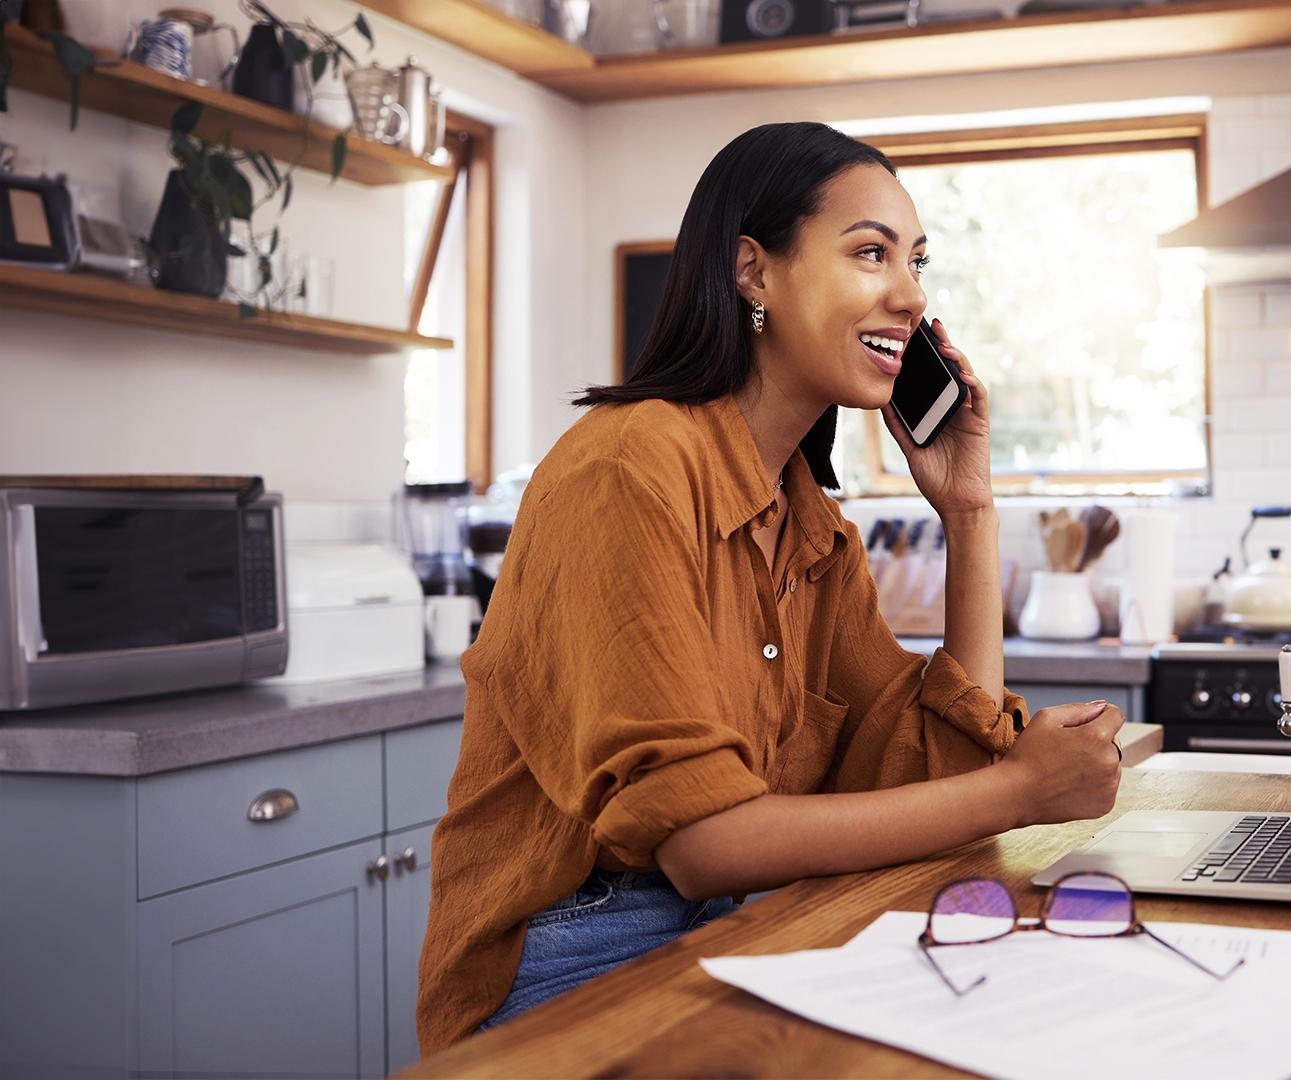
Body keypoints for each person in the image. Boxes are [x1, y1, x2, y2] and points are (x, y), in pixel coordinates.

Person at [414, 121, 1127, 1055]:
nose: (910, 295)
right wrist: (1022, 792)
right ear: (754, 272)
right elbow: (704, 842)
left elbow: (935, 766)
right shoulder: (630, 469)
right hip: (571, 952)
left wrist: (970, 514)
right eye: (871, 253)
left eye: (916, 262)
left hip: (737, 920)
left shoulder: (809, 523)